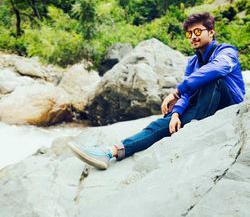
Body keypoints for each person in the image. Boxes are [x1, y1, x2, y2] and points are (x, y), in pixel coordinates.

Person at [68, 12, 245, 170]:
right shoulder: (193, 62)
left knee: (213, 79)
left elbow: (218, 69)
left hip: (228, 106)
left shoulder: (226, 51)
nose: (193, 37)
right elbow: (188, 94)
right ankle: (112, 151)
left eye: (198, 32)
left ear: (211, 32)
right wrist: (176, 113)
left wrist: (176, 93)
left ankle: (184, 127)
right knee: (164, 123)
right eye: (189, 33)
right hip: (204, 105)